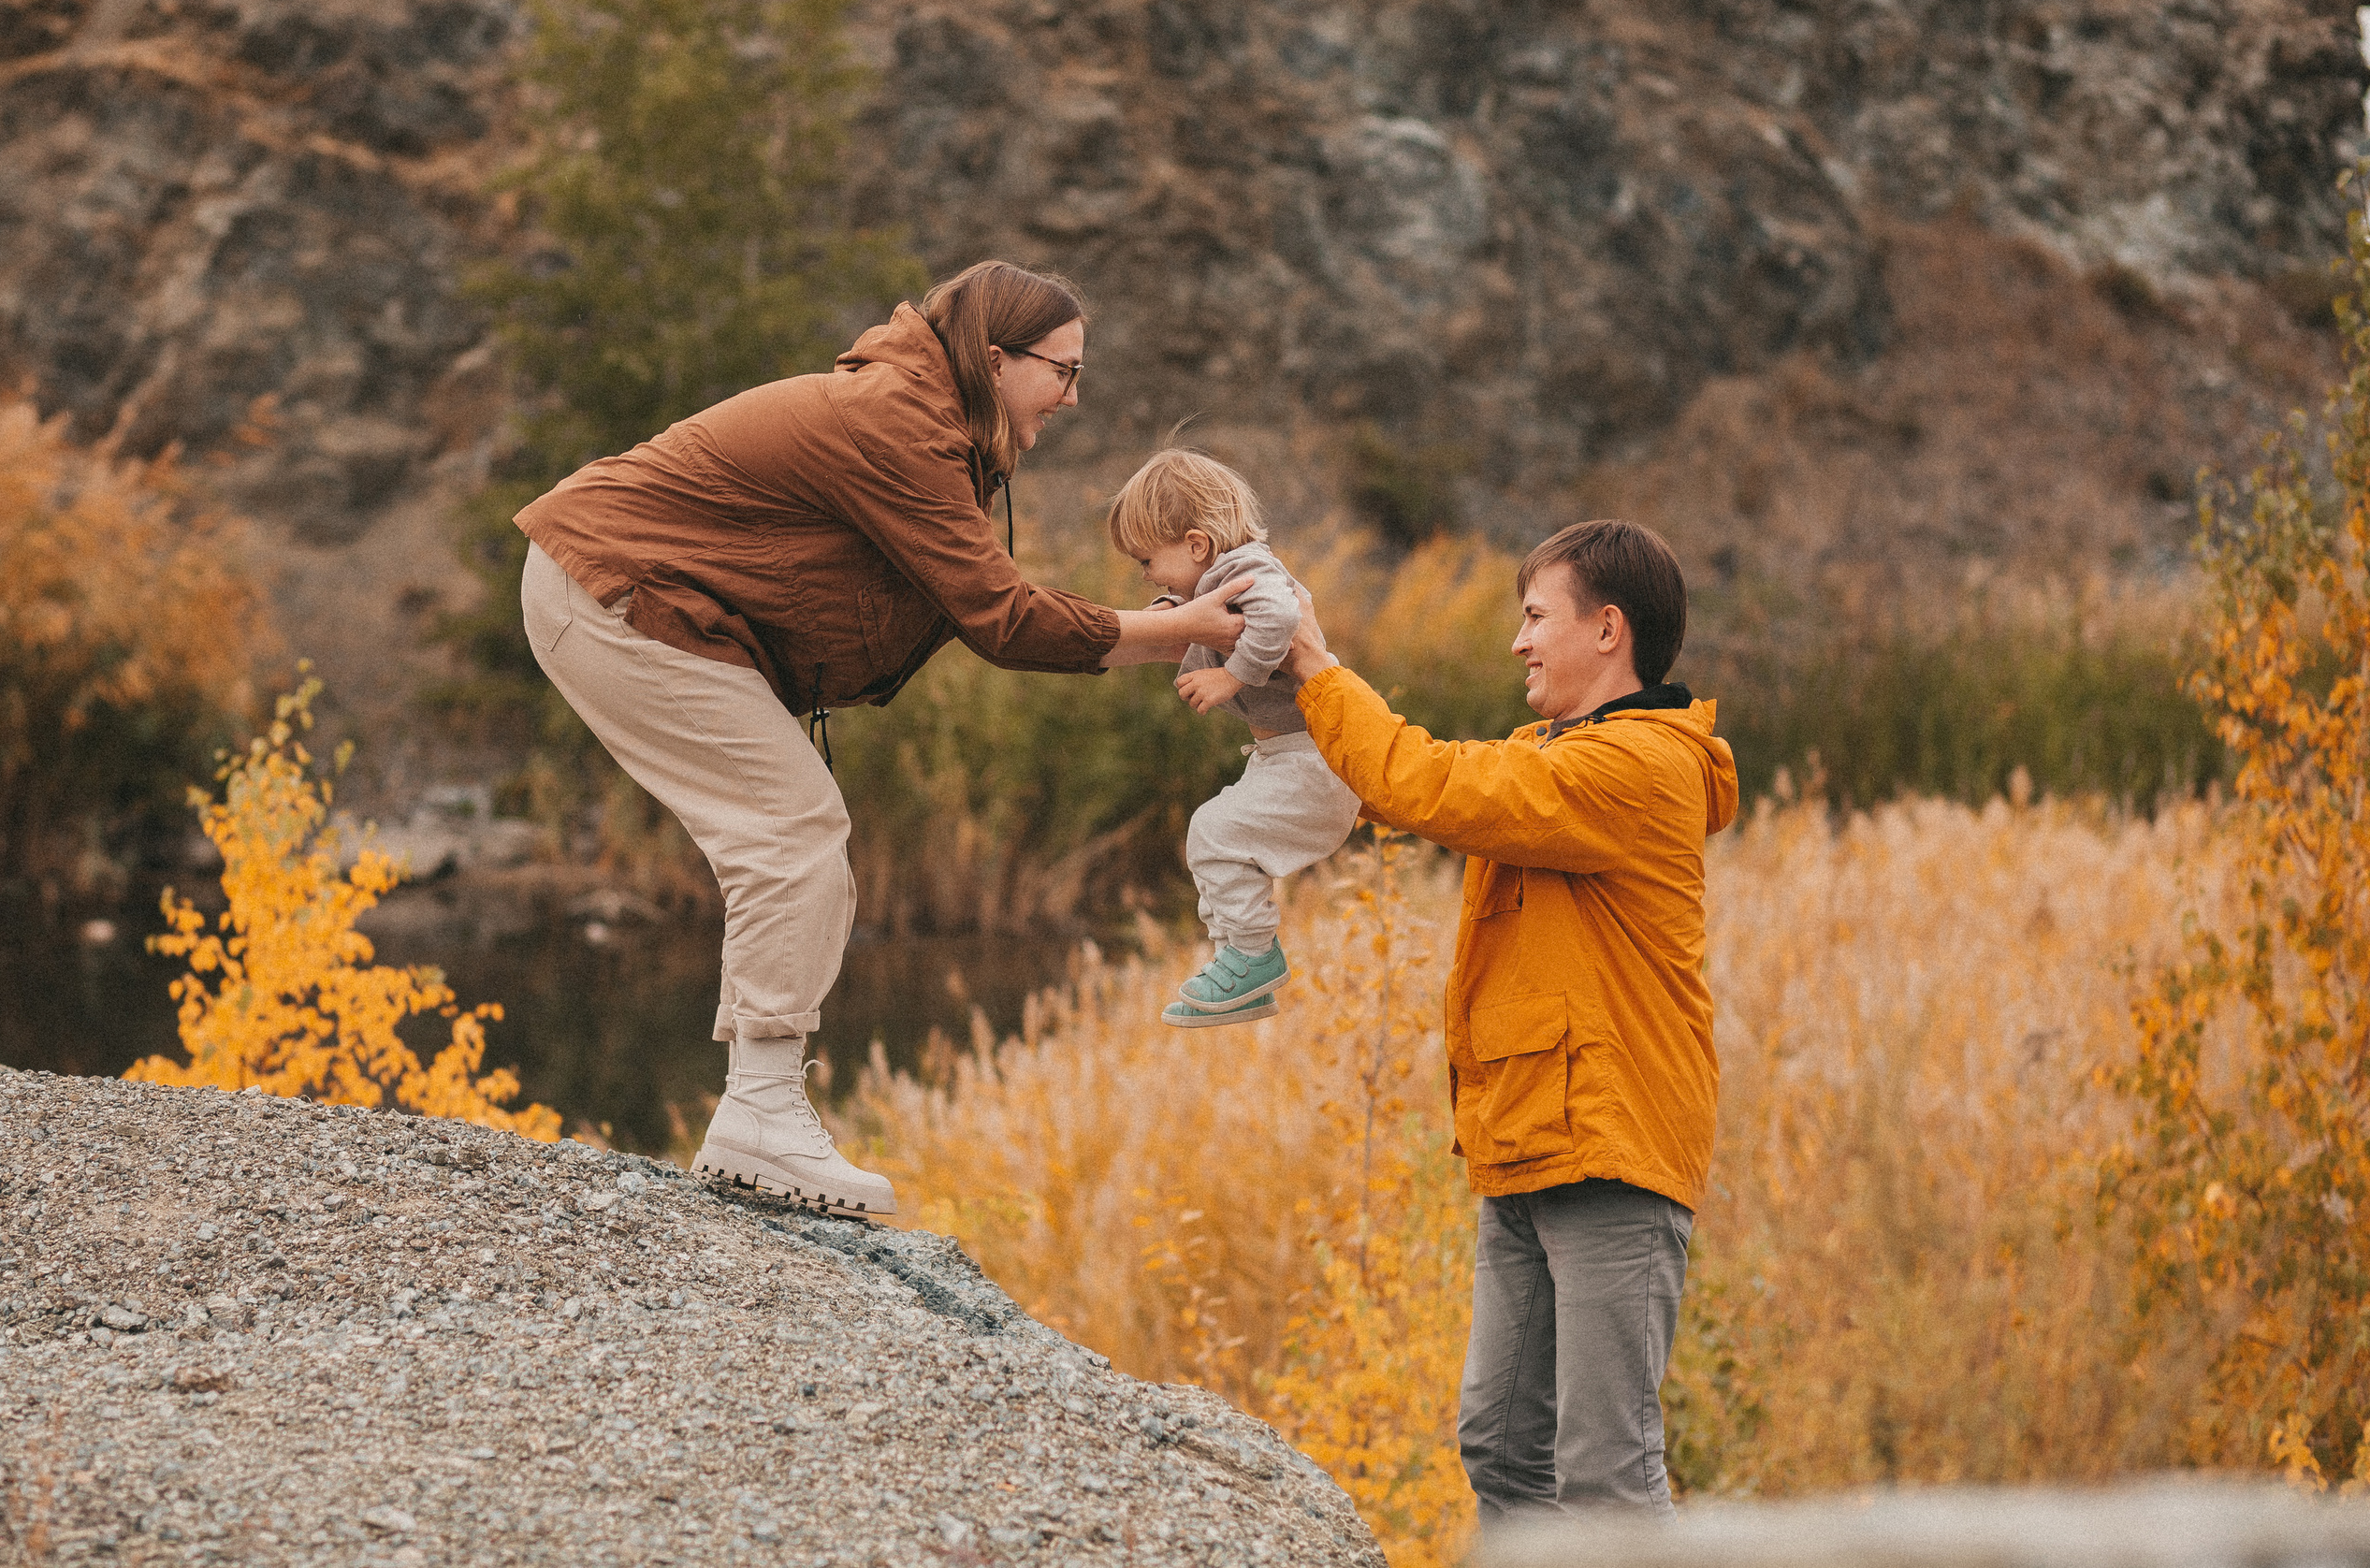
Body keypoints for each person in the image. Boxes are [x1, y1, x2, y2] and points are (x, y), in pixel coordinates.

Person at [513, 261, 1252, 1218]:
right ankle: (759, 1117)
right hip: (612, 587)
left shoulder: (926, 425)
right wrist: (1180, 628)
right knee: (791, 830)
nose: (1073, 397)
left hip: (614, 587)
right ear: (996, 359)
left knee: (788, 833)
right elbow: (1002, 618)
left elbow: (972, 604)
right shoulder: (897, 425)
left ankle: (759, 1108)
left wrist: (1169, 630)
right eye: (1064, 371)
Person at [1281, 519, 1738, 1519]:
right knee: (1499, 1447)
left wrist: (1319, 667)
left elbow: (1436, 784)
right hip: (1529, 1136)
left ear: (1607, 629)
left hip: (1611, 1145)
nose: (1518, 641)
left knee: (1607, 1471)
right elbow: (1408, 786)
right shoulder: (1555, 757)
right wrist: (1282, 691)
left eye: (1536, 617)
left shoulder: (1635, 767)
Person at [1103, 448, 1362, 1026]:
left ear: (1197, 545)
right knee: (1214, 842)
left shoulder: (1249, 571)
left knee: (1213, 831)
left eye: (1147, 559)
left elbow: (1279, 618)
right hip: (1284, 755)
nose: (1144, 573)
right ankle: (1238, 966)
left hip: (1312, 759)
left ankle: (1252, 955)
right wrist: (1173, 609)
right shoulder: (1222, 579)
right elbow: (1210, 614)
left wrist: (1231, 676)